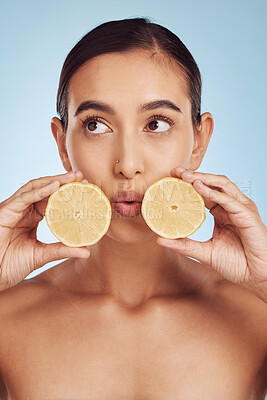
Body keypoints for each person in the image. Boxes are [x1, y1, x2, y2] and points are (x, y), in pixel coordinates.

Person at [0, 17, 266, 400]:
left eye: (156, 123)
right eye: (96, 125)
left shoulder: (257, 315)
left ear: (198, 140)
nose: (127, 164)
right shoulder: (7, 319)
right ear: (62, 144)